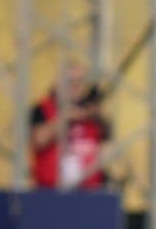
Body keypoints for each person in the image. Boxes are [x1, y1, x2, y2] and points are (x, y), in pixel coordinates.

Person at [29, 63, 111, 191]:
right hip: (52, 192)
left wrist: (97, 114)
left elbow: (107, 139)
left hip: (90, 191)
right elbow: (38, 140)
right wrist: (66, 118)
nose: (76, 86)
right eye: (71, 81)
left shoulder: (92, 111)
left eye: (80, 81)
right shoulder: (43, 108)